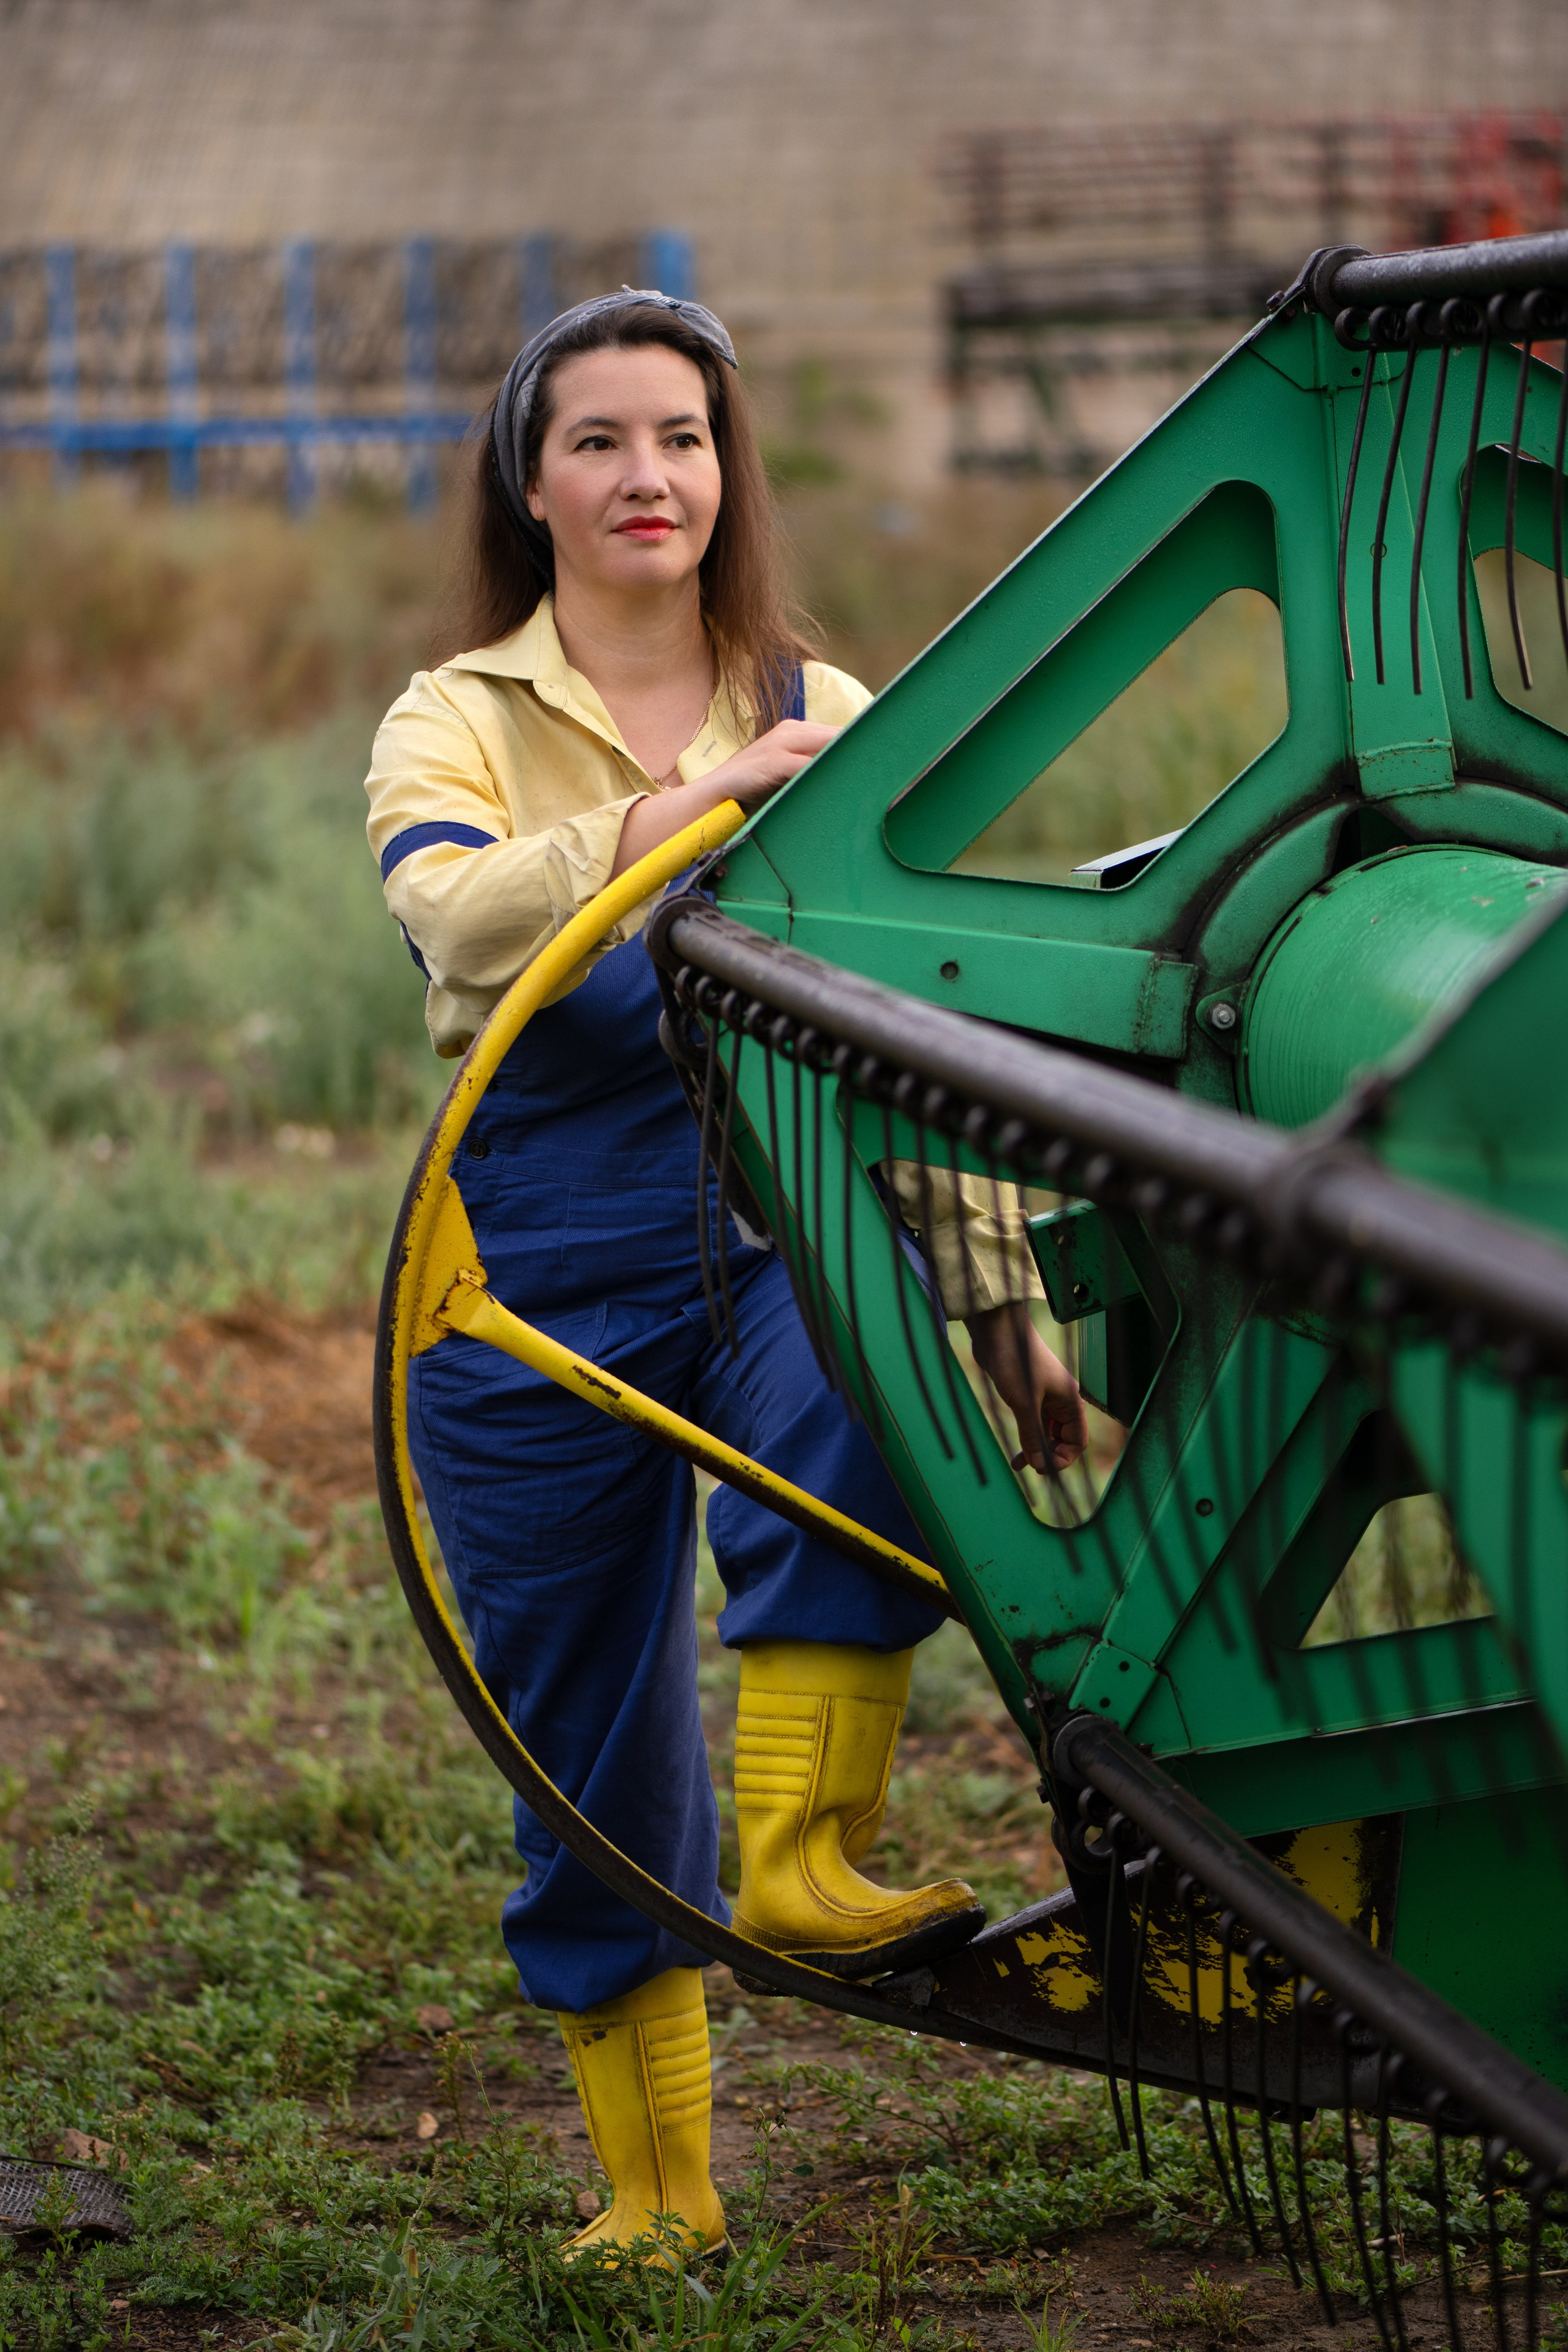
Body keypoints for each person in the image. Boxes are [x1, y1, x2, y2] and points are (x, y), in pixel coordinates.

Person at [364, 288, 1087, 2260]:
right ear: (533, 482)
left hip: (769, 1217)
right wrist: (672, 811)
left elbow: (903, 1025)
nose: (645, 476)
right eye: (596, 440)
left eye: (678, 436)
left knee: (867, 1375)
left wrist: (1005, 1305)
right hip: (530, 1274)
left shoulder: (822, 713)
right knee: (577, 1726)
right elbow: (459, 924)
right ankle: (658, 2197)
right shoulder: (454, 718)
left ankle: (801, 1860)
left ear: (723, 465)